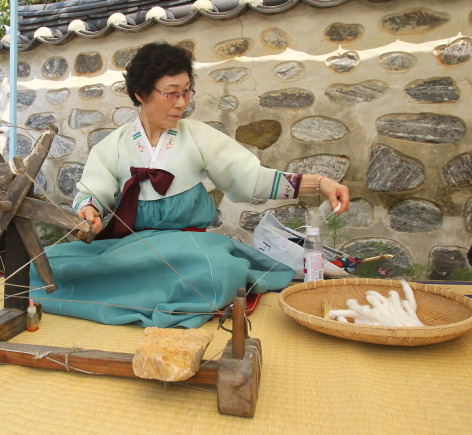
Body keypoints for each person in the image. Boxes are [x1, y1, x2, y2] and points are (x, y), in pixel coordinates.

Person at [29, 42, 350, 328]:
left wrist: (318, 183)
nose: (181, 102)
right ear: (141, 94)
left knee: (218, 271)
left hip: (190, 248)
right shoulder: (113, 146)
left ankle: (136, 293)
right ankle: (150, 292)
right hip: (135, 249)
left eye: (186, 92)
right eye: (171, 93)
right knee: (47, 263)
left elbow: (251, 177)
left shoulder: (199, 137)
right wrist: (89, 210)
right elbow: (92, 192)